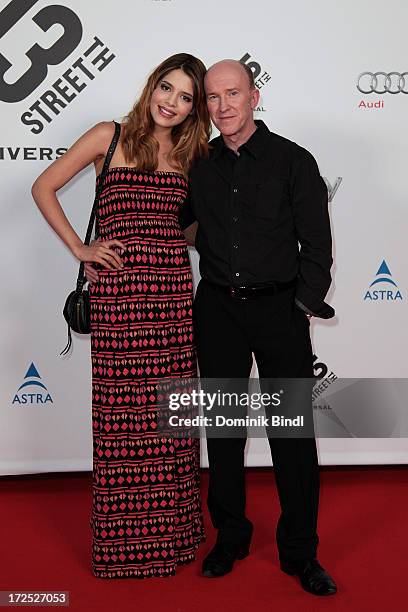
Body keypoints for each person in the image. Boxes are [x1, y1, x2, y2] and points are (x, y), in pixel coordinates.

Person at [31, 53, 211, 579]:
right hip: (119, 303)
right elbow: (43, 187)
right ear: (152, 85)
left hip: (171, 301)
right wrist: (80, 249)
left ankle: (174, 538)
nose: (172, 103)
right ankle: (124, 548)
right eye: (167, 88)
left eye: (185, 98)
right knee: (121, 425)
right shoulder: (108, 136)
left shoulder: (191, 152)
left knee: (170, 422)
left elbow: (190, 228)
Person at [180, 59, 338, 596]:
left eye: (234, 94)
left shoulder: (294, 161)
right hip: (218, 311)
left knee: (291, 437)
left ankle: (300, 552)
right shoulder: (196, 164)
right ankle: (230, 536)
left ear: (254, 98)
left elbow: (317, 245)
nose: (223, 106)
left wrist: (302, 306)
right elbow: (164, 220)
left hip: (279, 314)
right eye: (213, 98)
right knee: (224, 433)